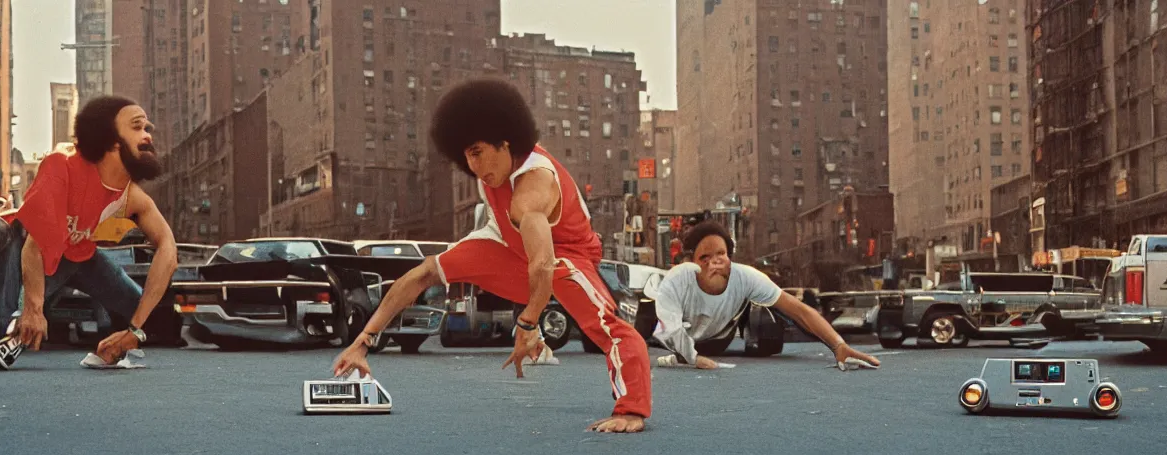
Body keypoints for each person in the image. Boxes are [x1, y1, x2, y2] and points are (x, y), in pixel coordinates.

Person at [330, 78, 651, 433]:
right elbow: (449, 265)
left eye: (478, 152)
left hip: (565, 254)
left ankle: (631, 409)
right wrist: (362, 341)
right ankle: (363, 342)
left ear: (505, 141)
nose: (474, 166)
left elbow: (543, 264)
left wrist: (528, 325)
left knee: (609, 328)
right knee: (425, 271)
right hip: (507, 245)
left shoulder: (532, 189)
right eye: (466, 156)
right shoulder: (491, 173)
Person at [0, 96, 178, 370]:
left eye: (148, 128)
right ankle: (20, 319)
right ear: (111, 139)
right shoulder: (61, 166)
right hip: (29, 247)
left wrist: (133, 331)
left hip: (81, 258)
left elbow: (168, 249)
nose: (147, 135)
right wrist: (33, 309)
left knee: (150, 314)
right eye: (137, 127)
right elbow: (35, 244)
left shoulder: (131, 197)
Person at [652, 221, 881, 371]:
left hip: (719, 338)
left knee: (768, 313)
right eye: (705, 258)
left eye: (721, 254)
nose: (715, 263)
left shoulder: (745, 276)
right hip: (679, 339)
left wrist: (838, 345)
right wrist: (689, 357)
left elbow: (799, 310)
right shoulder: (677, 283)